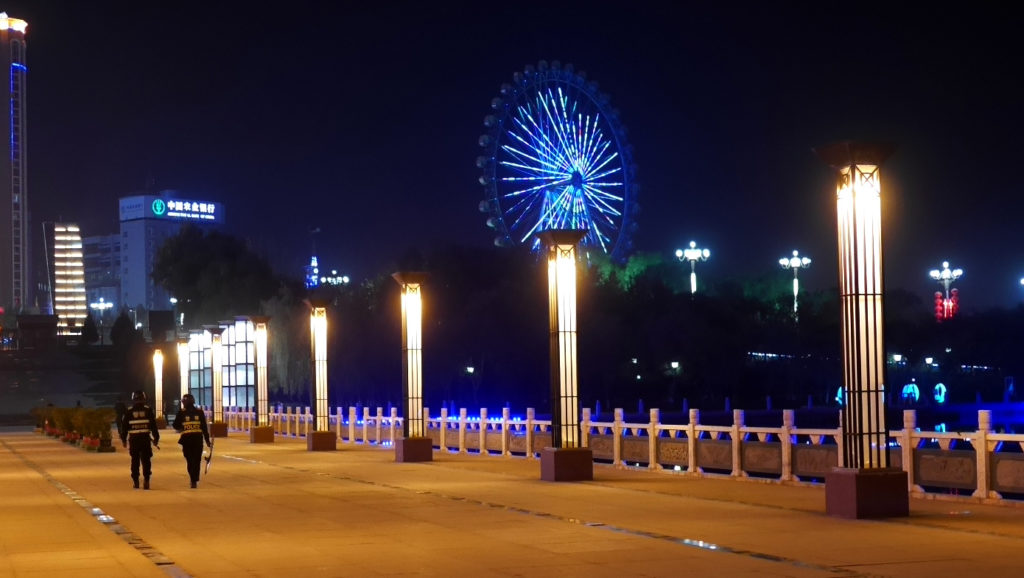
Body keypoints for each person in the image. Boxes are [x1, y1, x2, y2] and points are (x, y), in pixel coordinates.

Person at [119, 390, 160, 489]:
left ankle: (136, 481)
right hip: (145, 439)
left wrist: (124, 440)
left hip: (134, 440)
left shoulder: (129, 411)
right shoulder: (148, 410)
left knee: (135, 460)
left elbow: (124, 427)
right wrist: (156, 438)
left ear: (133, 399)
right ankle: (146, 480)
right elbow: (153, 426)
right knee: (146, 460)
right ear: (144, 398)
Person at [172, 393, 212, 489]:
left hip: (186, 441)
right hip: (198, 440)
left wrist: (182, 427)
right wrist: (207, 440)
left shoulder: (181, 412)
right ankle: (194, 479)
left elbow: (175, 425)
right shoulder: (200, 412)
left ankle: (192, 479)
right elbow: (204, 428)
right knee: (196, 460)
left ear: (184, 402)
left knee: (190, 460)